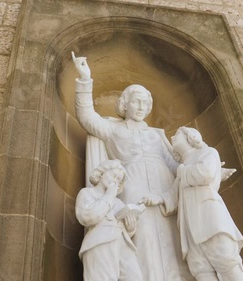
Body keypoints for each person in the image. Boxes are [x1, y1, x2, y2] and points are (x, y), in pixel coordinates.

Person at [72, 52, 193, 281]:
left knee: (171, 238)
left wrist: (201, 169)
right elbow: (87, 116)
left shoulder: (157, 134)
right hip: (134, 188)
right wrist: (85, 79)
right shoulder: (113, 129)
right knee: (143, 236)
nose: (142, 106)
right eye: (136, 101)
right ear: (124, 104)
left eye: (146, 102)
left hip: (164, 186)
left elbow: (175, 165)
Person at [141, 127, 243, 281]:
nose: (173, 138)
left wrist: (182, 170)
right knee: (200, 268)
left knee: (225, 258)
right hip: (189, 222)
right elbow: (175, 192)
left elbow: (206, 174)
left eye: (177, 134)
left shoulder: (208, 152)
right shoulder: (185, 164)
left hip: (209, 215)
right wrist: (161, 199)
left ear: (191, 137)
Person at [75, 160, 143, 281]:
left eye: (118, 179)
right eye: (113, 175)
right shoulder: (87, 193)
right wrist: (109, 196)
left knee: (135, 277)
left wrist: (131, 228)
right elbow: (89, 216)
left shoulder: (118, 202)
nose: (115, 181)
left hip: (122, 244)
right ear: (101, 173)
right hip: (100, 242)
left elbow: (125, 228)